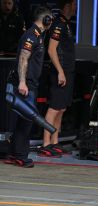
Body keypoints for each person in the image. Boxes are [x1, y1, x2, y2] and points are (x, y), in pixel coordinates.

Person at [4, 6, 52, 167]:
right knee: (26, 121)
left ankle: (13, 153)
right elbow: (23, 59)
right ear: (46, 20)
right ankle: (20, 155)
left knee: (22, 119)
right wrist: (23, 82)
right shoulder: (31, 36)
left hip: (30, 83)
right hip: (25, 84)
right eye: (50, 19)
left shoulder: (39, 35)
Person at [40, 0, 76, 157]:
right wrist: (60, 71)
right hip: (59, 72)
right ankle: (45, 144)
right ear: (67, 6)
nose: (76, 8)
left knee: (61, 108)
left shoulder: (67, 23)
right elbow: (51, 49)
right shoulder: (57, 24)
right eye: (74, 5)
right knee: (54, 107)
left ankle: (55, 142)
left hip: (68, 71)